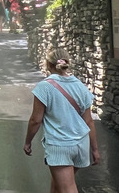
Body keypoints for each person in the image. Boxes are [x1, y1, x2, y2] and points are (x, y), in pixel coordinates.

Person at [24, 49, 100, 192]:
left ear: (48, 64)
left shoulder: (44, 87)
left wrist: (28, 141)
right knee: (58, 185)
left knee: (67, 188)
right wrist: (95, 149)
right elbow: (89, 121)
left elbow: (35, 120)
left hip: (59, 145)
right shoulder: (80, 86)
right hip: (81, 145)